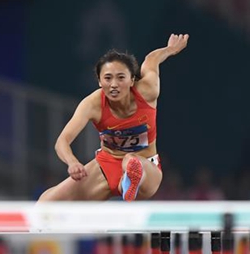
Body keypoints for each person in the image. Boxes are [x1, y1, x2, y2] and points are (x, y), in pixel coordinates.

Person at [38, 34, 189, 202]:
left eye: (121, 77)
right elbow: (62, 141)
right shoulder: (92, 104)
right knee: (47, 202)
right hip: (106, 165)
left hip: (146, 168)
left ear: (132, 80)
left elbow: (151, 59)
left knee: (131, 161)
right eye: (108, 78)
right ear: (99, 82)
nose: (114, 84)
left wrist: (170, 50)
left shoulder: (147, 90)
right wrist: (72, 162)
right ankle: (124, 183)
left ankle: (130, 179)